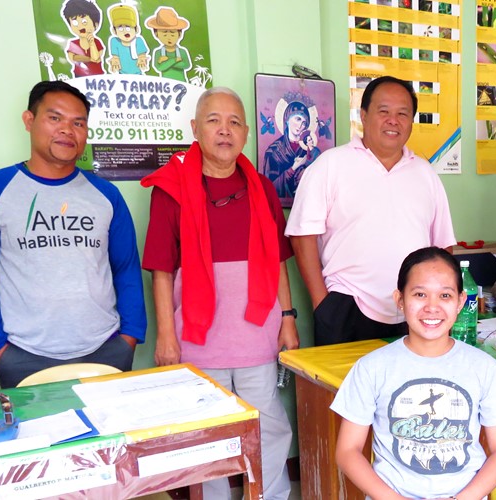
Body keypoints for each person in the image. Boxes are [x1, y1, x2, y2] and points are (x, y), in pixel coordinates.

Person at [141, 87, 297, 500]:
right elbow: (161, 269)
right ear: (195, 129)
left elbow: (278, 262)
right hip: (197, 337)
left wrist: (288, 318)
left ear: (246, 132)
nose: (224, 130)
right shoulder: (170, 188)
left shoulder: (261, 188)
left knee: (269, 427)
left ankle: (268, 495)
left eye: (233, 122)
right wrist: (165, 336)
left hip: (255, 334)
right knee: (209, 434)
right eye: (213, 121)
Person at [0, 81, 146, 389]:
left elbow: (125, 268)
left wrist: (129, 338)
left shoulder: (106, 195)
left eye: (78, 123)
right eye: (54, 118)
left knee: (113, 439)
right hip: (24, 355)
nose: (67, 130)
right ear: (29, 121)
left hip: (106, 349)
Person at [331, 247, 496, 499]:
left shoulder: (484, 367)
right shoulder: (371, 368)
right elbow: (347, 451)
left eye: (445, 295)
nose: (432, 307)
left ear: (461, 301)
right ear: (400, 299)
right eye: (420, 294)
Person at [286, 76, 456, 346]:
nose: (393, 120)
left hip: (412, 312)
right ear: (363, 115)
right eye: (384, 111)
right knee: (343, 388)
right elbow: (301, 235)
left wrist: (443, 299)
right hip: (345, 307)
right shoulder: (330, 165)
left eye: (403, 113)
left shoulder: (425, 173)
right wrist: (322, 304)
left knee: (407, 388)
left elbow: (442, 247)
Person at [263, 100, 321, 200]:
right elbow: (269, 188)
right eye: (298, 119)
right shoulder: (273, 151)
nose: (300, 126)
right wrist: (293, 168)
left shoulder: (308, 149)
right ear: (287, 119)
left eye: (304, 123)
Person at [144, 6, 192, 82]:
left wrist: (166, 63)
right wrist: (175, 60)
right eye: (165, 35)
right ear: (156, 34)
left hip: (182, 83)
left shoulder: (182, 51)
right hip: (165, 85)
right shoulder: (158, 52)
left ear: (179, 34)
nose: (169, 38)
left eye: (173, 34)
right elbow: (160, 68)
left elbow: (185, 65)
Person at [62, 0, 105, 77]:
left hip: (97, 76)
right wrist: (89, 59)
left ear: (96, 24)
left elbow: (95, 58)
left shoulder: (97, 42)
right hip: (79, 75)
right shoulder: (73, 43)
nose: (80, 26)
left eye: (84, 21)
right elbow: (73, 58)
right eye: (75, 22)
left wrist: (92, 43)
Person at [106, 3, 149, 75]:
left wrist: (142, 59)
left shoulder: (138, 41)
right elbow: (115, 56)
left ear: (136, 29)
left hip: (138, 74)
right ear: (114, 31)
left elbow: (142, 54)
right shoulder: (114, 41)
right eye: (120, 28)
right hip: (122, 74)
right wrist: (115, 61)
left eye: (128, 27)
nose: (125, 31)